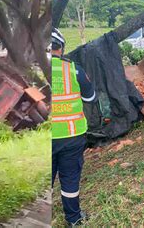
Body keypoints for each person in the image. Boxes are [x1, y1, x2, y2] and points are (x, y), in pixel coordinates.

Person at [51, 28, 95, 227]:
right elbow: (90, 97)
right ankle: (74, 218)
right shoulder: (73, 69)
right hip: (71, 135)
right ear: (61, 48)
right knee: (69, 179)